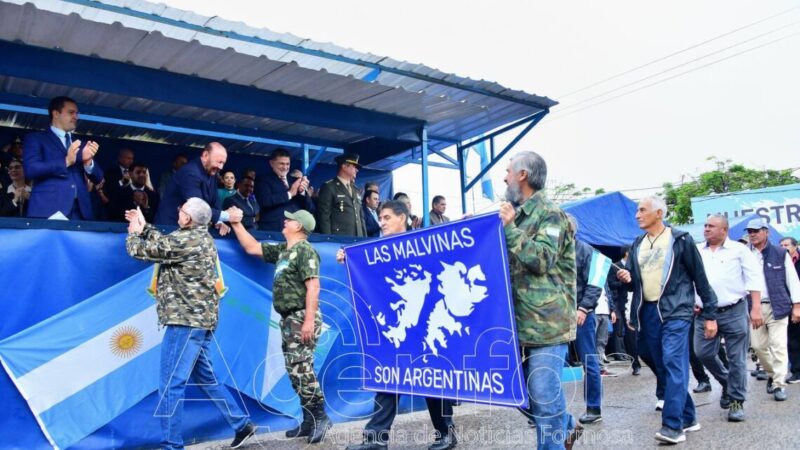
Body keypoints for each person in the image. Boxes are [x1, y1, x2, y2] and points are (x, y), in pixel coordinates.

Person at [124, 198, 256, 450]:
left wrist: (133, 234)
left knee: (171, 384)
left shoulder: (185, 240)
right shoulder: (199, 237)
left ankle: (172, 445)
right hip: (200, 321)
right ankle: (242, 424)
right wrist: (146, 227)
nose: (179, 211)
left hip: (184, 321)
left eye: (182, 210)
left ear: (188, 219)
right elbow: (166, 244)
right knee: (205, 378)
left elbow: (141, 251)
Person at [340, 200, 456, 450]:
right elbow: (371, 279)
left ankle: (446, 433)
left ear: (402, 217)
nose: (381, 223)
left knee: (431, 378)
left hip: (424, 325)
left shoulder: (423, 244)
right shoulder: (377, 251)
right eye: (380, 218)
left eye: (387, 217)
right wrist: (350, 260)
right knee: (389, 378)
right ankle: (375, 439)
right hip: (397, 326)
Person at [616, 196, 717, 445]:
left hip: (676, 310)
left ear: (659, 213)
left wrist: (710, 315)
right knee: (658, 362)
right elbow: (636, 284)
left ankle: (673, 426)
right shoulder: (638, 243)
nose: (637, 215)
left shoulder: (680, 239)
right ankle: (689, 416)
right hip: (648, 312)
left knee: (673, 362)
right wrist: (628, 279)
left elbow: (700, 278)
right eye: (637, 211)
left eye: (642, 210)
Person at [228, 207, 331, 443]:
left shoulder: (305, 250)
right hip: (288, 319)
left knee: (301, 368)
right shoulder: (285, 250)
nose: (285, 221)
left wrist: (308, 320)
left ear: (299, 226)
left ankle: (320, 416)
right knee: (295, 370)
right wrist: (236, 224)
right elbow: (252, 248)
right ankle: (309, 420)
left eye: (290, 220)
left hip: (301, 316)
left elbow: (314, 286)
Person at [498, 151, 578, 450]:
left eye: (508, 171)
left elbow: (542, 259)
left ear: (523, 175)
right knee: (521, 394)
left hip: (547, 325)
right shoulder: (517, 216)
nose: (504, 178)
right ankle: (567, 424)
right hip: (518, 325)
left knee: (544, 398)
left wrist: (509, 229)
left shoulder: (551, 214)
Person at [693, 214, 764, 421]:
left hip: (734, 310)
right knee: (702, 352)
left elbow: (754, 278)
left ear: (724, 230)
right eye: (705, 225)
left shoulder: (739, 250)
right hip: (704, 313)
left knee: (737, 359)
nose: (706, 229)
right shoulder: (696, 250)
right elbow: (688, 278)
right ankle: (727, 382)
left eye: (712, 226)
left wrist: (756, 307)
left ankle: (736, 401)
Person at [745, 218, 800, 401]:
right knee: (758, 347)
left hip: (778, 305)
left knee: (778, 346)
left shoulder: (780, 253)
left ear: (766, 232)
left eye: (756, 231)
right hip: (754, 307)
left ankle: (778, 384)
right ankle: (772, 374)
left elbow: (793, 280)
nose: (752, 234)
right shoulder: (744, 254)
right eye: (750, 231)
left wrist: (797, 305)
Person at [23, 96, 103, 220]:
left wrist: (88, 161)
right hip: (48, 210)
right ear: (56, 114)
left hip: (80, 212)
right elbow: (31, 170)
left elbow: (98, 178)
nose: (76, 117)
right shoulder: (36, 138)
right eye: (71, 112)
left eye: (77, 113)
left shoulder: (81, 144)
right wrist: (66, 161)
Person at [567, 216, 604, 425]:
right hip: (556, 317)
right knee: (549, 361)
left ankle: (593, 407)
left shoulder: (586, 250)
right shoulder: (552, 251)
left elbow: (595, 282)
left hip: (582, 315)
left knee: (589, 361)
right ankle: (544, 411)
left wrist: (583, 308)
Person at [155, 142, 235, 235]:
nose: (221, 167)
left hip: (188, 229)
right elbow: (197, 208)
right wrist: (227, 216)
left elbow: (214, 199)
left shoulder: (211, 171)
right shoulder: (190, 173)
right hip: (170, 227)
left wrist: (218, 221)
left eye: (223, 163)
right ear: (205, 155)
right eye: (218, 162)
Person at [256, 148, 312, 231]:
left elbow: (310, 208)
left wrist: (302, 192)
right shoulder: (263, 180)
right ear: (272, 163)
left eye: (287, 164)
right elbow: (264, 201)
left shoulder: (294, 181)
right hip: (273, 230)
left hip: (294, 230)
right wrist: (289, 194)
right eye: (281, 164)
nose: (285, 167)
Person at [317, 153, 365, 236]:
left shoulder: (355, 189)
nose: (357, 170)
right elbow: (324, 217)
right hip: (340, 238)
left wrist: (364, 237)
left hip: (358, 238)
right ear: (344, 166)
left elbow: (361, 218)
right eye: (354, 166)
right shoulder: (329, 187)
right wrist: (328, 239)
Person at [780, 237, 800, 384]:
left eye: (786, 245)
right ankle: (797, 371)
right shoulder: (779, 262)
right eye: (781, 245)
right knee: (792, 339)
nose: (783, 248)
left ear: (795, 246)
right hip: (788, 305)